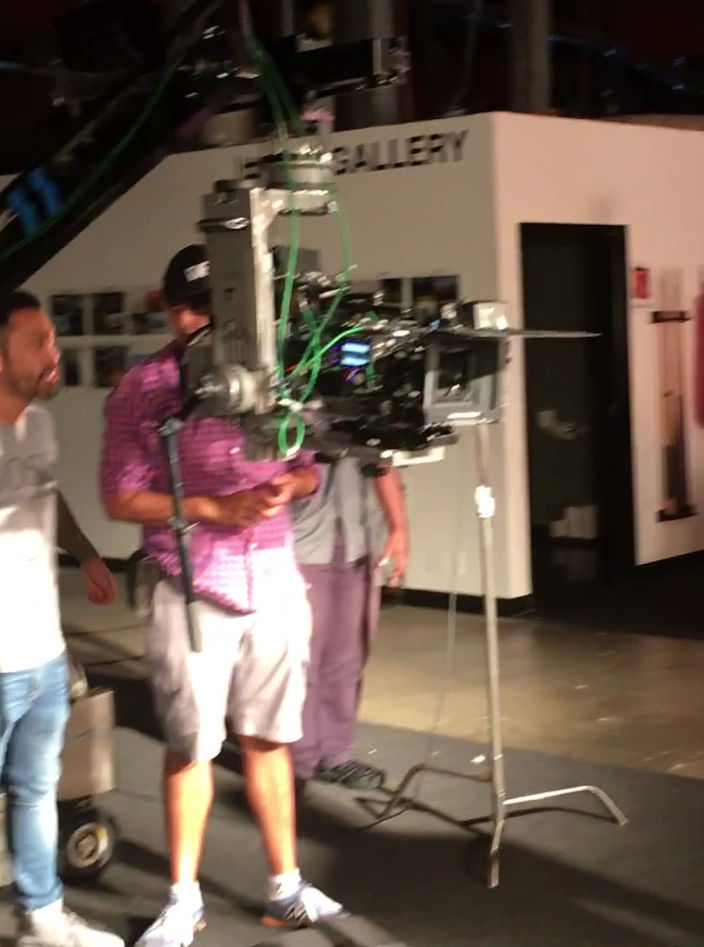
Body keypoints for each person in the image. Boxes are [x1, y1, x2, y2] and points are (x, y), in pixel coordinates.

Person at [99, 245, 344, 947]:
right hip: (191, 586)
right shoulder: (147, 386)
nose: (194, 321)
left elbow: (309, 468)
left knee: (269, 739)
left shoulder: (280, 374)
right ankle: (183, 900)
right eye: (184, 308)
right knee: (192, 745)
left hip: (273, 581)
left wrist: (286, 486)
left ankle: (285, 887)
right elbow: (120, 497)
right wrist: (212, 508)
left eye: (207, 307)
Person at [0, 290, 122, 947]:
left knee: (37, 789)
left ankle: (43, 918)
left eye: (52, 339)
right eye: (38, 342)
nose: (55, 352)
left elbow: (48, 495)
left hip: (44, 654)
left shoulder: (40, 425)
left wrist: (87, 552)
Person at [290, 457, 408, 792]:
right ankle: (296, 761)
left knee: (347, 657)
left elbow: (381, 458)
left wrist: (399, 527)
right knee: (300, 658)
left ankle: (334, 754)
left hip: (356, 539)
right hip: (300, 541)